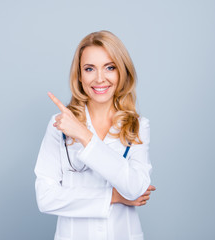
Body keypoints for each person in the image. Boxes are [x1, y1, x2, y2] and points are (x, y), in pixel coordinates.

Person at [34, 30, 155, 240]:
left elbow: (136, 189)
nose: (100, 78)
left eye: (110, 67)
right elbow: (46, 198)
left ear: (121, 72)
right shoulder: (59, 125)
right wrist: (113, 197)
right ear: (80, 76)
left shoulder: (137, 125)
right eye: (89, 69)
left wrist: (84, 135)